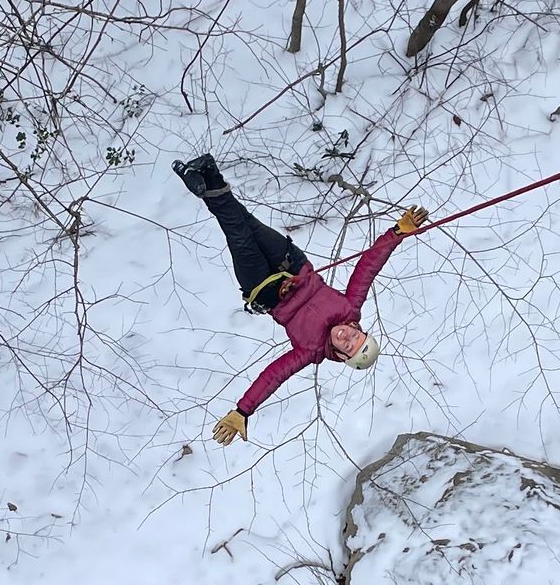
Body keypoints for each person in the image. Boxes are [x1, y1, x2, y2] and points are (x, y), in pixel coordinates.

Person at [174, 155, 428, 441]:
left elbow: (274, 375)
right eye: (355, 336)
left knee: (238, 232)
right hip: (291, 263)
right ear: (359, 328)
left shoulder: (309, 351)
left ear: (340, 356)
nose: (347, 336)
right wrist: (396, 234)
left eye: (348, 346)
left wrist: (243, 411)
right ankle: (206, 174)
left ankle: (205, 173)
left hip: (264, 288)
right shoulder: (350, 307)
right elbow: (368, 266)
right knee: (244, 220)